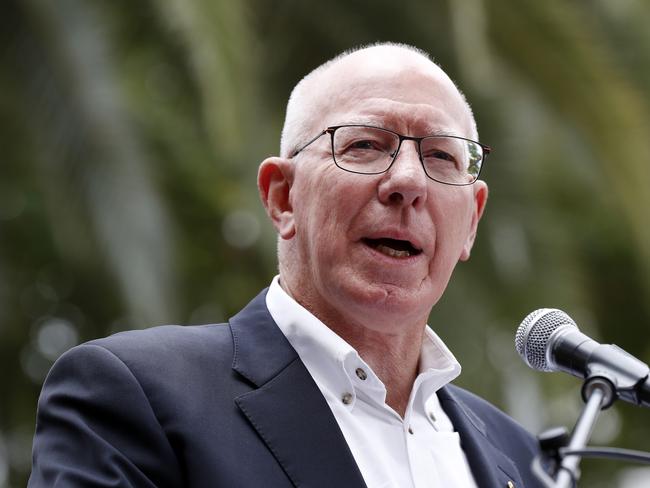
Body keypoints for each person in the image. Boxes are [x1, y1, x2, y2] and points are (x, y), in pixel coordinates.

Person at [29, 43, 543, 488]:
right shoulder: (137, 397)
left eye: (442, 158)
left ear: (472, 220)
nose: (408, 181)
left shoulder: (525, 460)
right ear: (283, 197)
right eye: (365, 144)